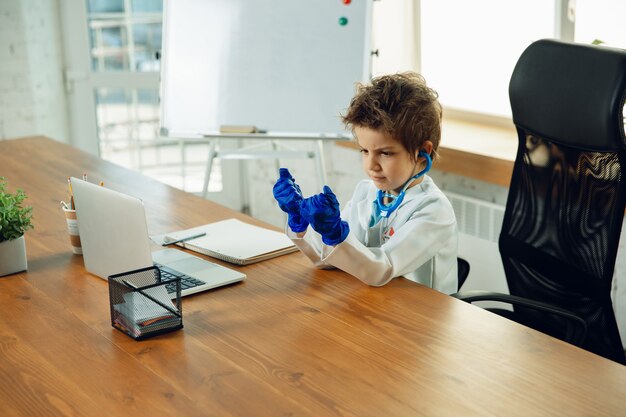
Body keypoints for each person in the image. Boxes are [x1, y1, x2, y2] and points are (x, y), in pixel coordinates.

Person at [273, 72, 458, 294]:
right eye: (364, 150)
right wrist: (300, 223)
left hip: (422, 319)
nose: (371, 165)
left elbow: (381, 269)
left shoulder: (433, 210)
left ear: (422, 152)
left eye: (386, 153)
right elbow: (331, 259)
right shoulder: (366, 192)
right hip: (374, 303)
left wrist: (336, 235)